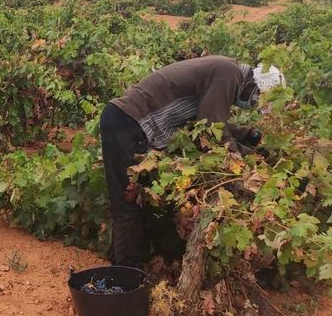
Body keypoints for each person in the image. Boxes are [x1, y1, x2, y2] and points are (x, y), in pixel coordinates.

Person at [100, 56, 285, 268]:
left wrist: (248, 136)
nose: (251, 105)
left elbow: (204, 122)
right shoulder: (229, 73)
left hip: (128, 123)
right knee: (127, 200)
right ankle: (125, 274)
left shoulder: (224, 72)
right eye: (256, 99)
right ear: (254, 85)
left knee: (141, 199)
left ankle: (124, 263)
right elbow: (210, 130)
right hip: (127, 123)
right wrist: (247, 159)